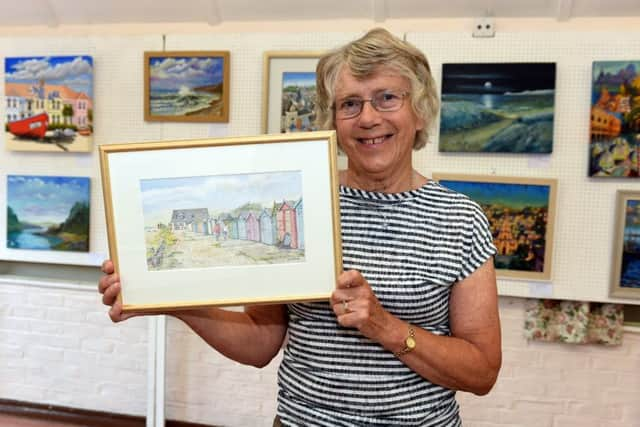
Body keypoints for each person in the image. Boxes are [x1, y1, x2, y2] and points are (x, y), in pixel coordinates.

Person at [99, 28, 501, 426]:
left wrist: (384, 326)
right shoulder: (308, 200)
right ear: (334, 122)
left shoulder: (459, 219)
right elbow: (260, 341)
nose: (368, 118)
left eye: (387, 98)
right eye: (349, 104)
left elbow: (482, 372)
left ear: (420, 110)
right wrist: (167, 295)